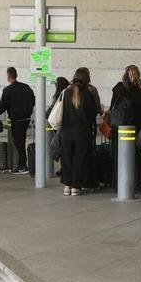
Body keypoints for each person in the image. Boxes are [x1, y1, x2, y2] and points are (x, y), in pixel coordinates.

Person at [110, 65, 141, 193]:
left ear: (125, 75)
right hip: (139, 129)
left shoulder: (119, 88)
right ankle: (140, 185)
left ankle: (121, 184)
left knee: (122, 156)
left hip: (123, 129)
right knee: (139, 158)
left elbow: (113, 107)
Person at [59, 68, 100, 196]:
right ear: (86, 78)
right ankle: (76, 187)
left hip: (66, 133)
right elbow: (92, 114)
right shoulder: (87, 94)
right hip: (82, 133)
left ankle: (67, 186)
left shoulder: (66, 92)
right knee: (79, 160)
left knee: (67, 159)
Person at [0, 66, 35, 173]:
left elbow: (2, 107)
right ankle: (22, 164)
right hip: (26, 119)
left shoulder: (7, 90)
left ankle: (22, 165)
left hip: (16, 120)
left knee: (19, 143)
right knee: (22, 141)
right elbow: (33, 101)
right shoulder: (26, 87)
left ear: (8, 76)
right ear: (16, 74)